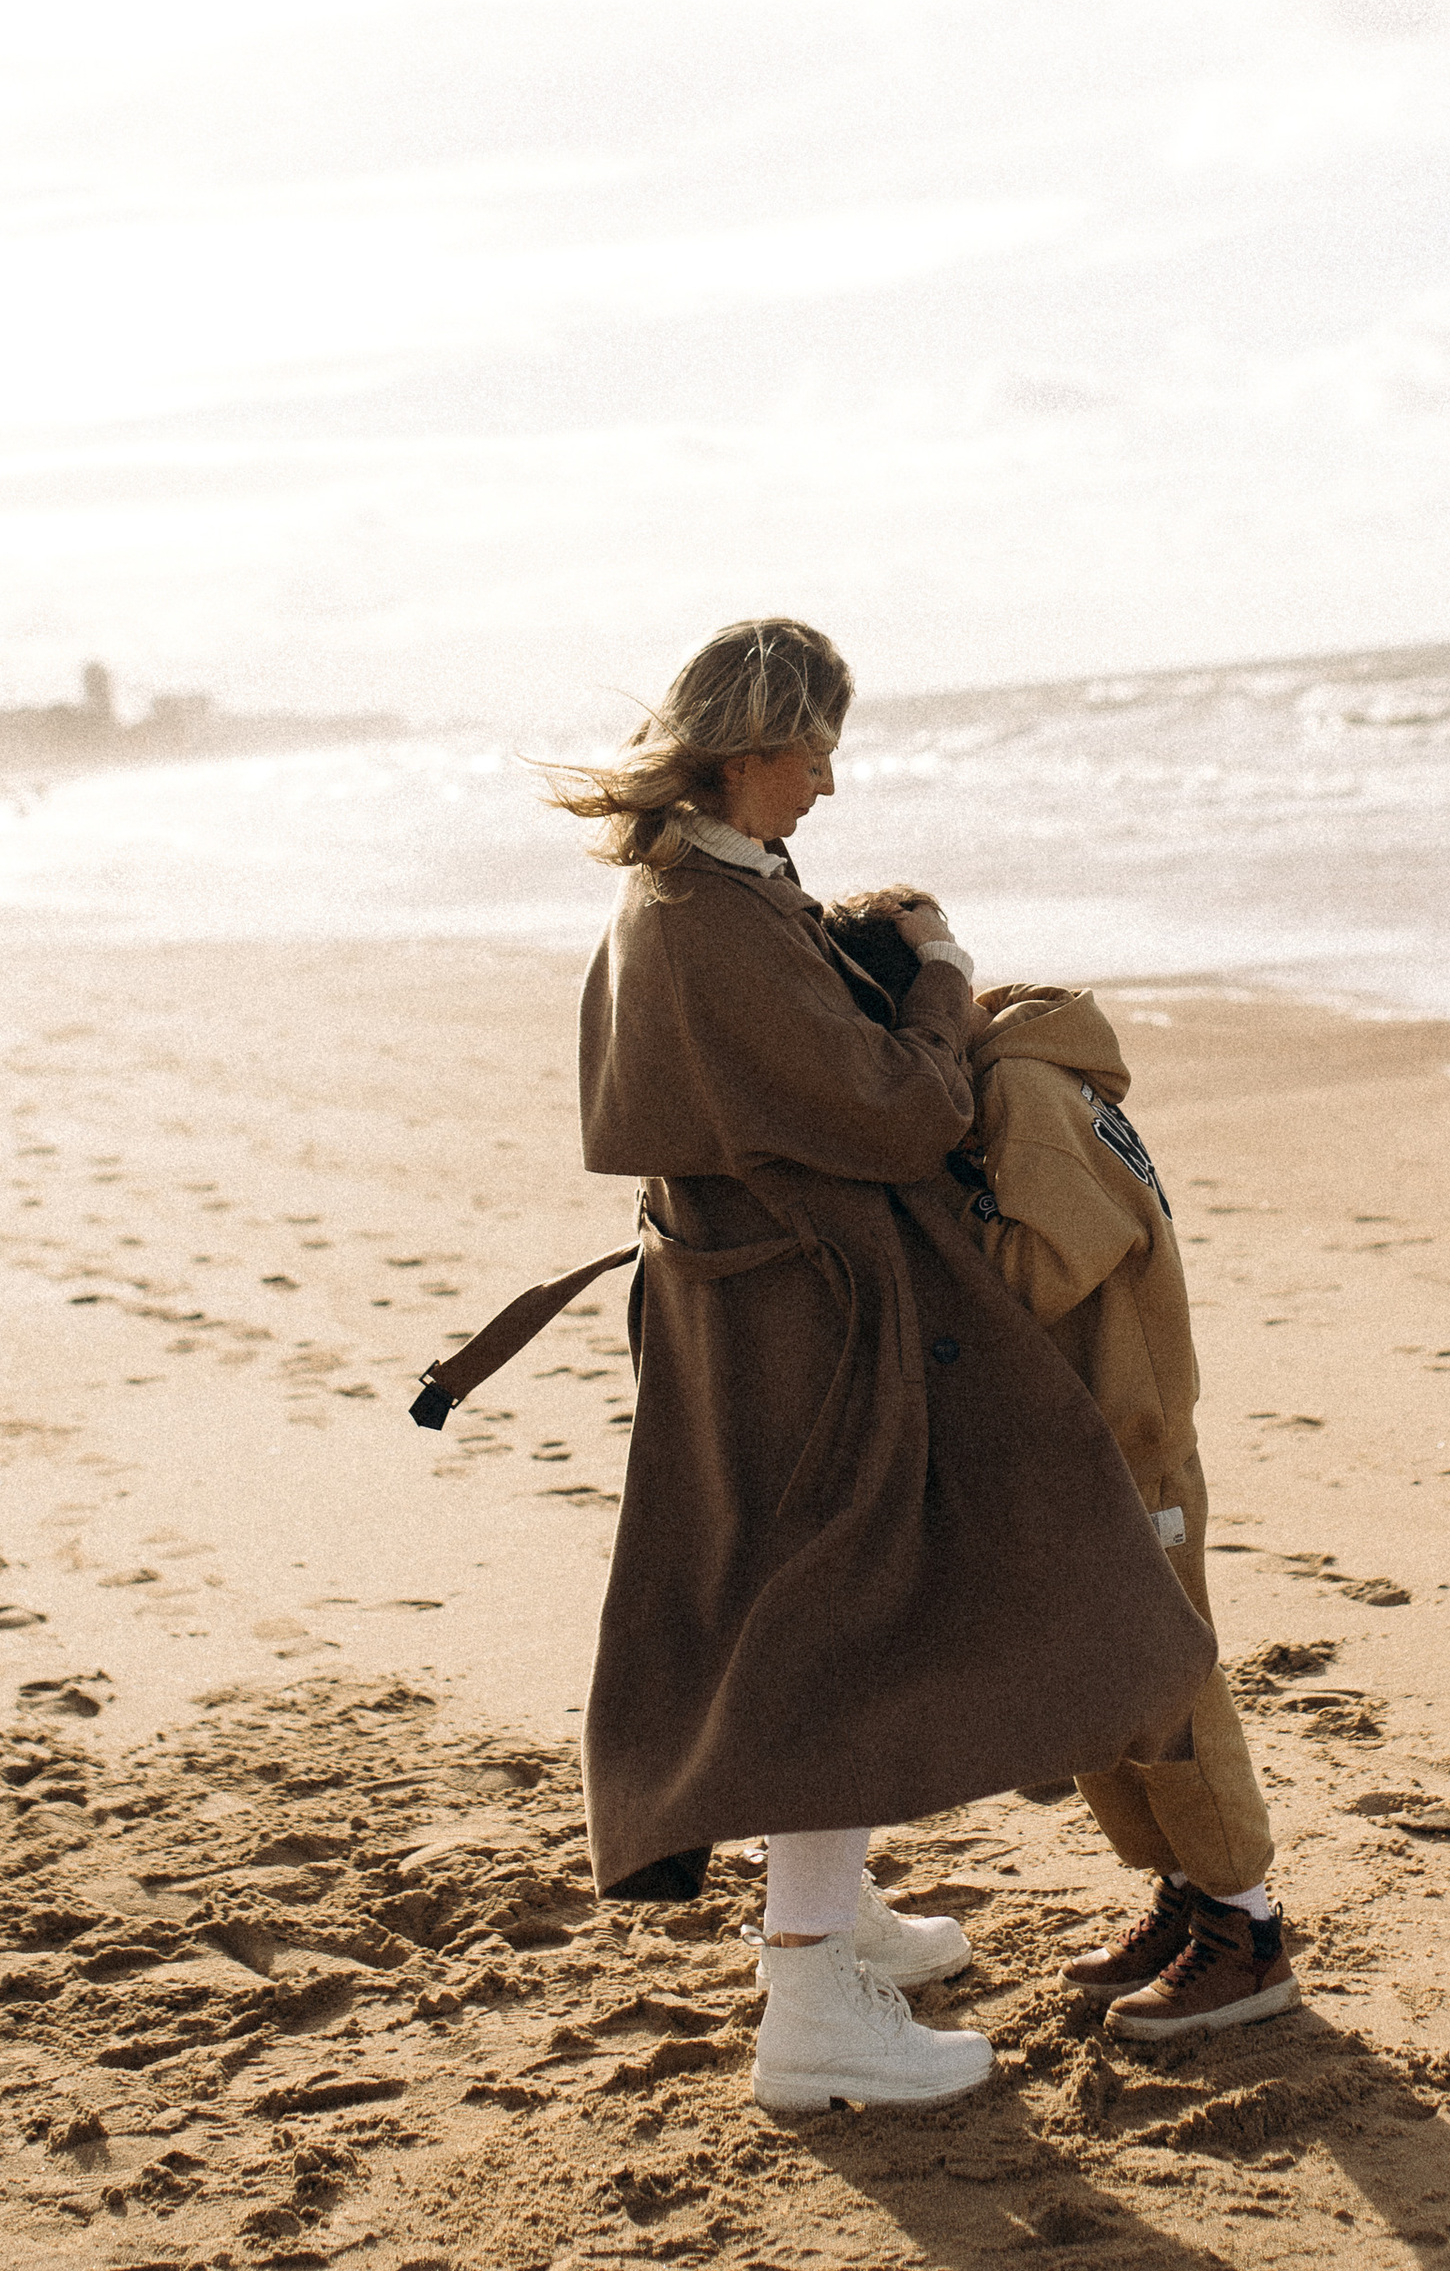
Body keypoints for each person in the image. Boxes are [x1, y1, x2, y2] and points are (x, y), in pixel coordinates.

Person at [550, 617, 1212, 2116]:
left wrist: (859, 934)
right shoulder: (706, 919)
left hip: (756, 1309)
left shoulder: (700, 887)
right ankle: (810, 2007)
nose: (829, 784)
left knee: (814, 1608)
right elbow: (907, 1111)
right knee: (833, 1632)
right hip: (804, 1322)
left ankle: (831, 1922)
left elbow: (778, 1042)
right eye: (813, 754)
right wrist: (941, 974)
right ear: (745, 749)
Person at [826, 908, 1294, 2046]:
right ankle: (1187, 1894)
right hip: (1072, 1433)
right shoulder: (1004, 1082)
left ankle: (1248, 1927)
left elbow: (1043, 1264)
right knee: (1099, 1682)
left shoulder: (1026, 1091)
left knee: (1167, 1678)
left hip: (1126, 1435)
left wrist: (913, 1222)